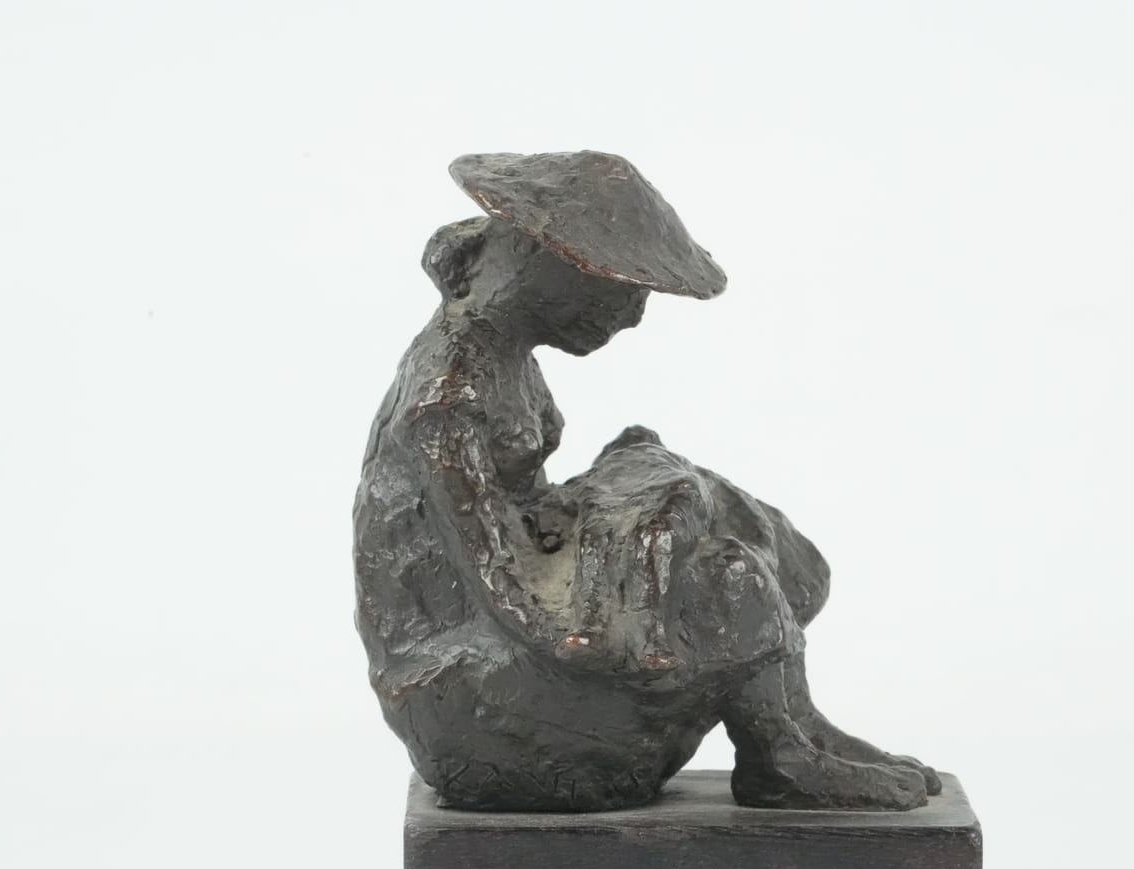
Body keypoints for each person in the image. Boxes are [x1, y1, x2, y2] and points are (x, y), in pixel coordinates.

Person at [355, 151, 938, 811]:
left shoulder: (496, 353)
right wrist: (637, 567)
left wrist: (636, 509)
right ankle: (780, 755)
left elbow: (532, 522)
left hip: (505, 656)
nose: (631, 314)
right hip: (477, 706)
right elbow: (511, 598)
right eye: (619, 287)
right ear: (546, 259)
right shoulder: (448, 398)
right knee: (718, 572)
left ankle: (796, 732)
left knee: (686, 507)